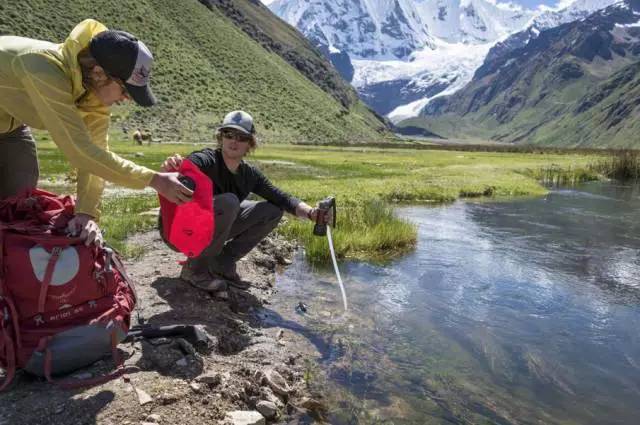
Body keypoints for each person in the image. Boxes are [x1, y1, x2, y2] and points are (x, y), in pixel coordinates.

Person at [0, 19, 192, 246]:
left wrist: (86, 213)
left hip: (10, 127)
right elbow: (79, 151)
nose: (126, 99)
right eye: (125, 90)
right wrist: (154, 180)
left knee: (19, 204)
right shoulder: (42, 68)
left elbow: (96, 152)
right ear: (99, 73)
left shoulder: (93, 96)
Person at [161, 110, 331, 293]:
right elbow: (189, 168)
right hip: (179, 231)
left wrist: (312, 213)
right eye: (229, 134)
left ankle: (223, 263)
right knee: (230, 202)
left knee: (273, 210)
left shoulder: (249, 174)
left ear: (250, 143)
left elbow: (282, 198)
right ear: (221, 137)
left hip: (209, 230)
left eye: (241, 137)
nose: (234, 141)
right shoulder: (206, 160)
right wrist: (174, 169)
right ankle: (194, 270)